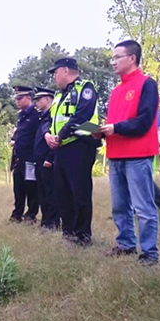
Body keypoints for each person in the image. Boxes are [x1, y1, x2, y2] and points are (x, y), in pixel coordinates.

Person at [98, 41, 160, 264]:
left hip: (138, 155)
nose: (113, 62)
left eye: (117, 57)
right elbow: (114, 124)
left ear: (132, 58)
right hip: (116, 155)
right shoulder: (116, 91)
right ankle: (125, 244)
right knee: (119, 206)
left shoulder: (147, 84)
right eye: (112, 58)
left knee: (143, 207)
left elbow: (144, 121)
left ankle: (149, 252)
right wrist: (101, 132)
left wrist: (116, 128)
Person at [45, 58, 101, 246]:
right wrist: (48, 135)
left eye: (55, 73)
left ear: (65, 70)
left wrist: (60, 135)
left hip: (80, 145)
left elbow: (82, 116)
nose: (54, 77)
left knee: (80, 192)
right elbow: (50, 119)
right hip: (60, 148)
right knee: (62, 193)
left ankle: (83, 235)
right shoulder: (59, 96)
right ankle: (68, 232)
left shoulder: (85, 88)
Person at [10, 85, 40, 224]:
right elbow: (20, 132)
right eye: (16, 98)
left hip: (30, 158)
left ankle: (31, 215)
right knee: (18, 188)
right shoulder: (21, 115)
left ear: (28, 97)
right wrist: (14, 139)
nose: (17, 101)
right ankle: (17, 214)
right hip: (18, 158)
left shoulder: (36, 115)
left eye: (20, 98)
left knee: (31, 188)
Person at [33, 87, 59, 232]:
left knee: (51, 193)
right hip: (39, 160)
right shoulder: (42, 117)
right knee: (42, 192)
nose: (36, 102)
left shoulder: (53, 115)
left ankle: (53, 222)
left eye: (39, 99)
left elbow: (54, 139)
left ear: (48, 99)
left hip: (47, 161)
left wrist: (50, 158)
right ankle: (46, 221)